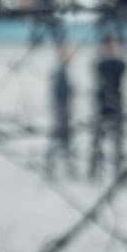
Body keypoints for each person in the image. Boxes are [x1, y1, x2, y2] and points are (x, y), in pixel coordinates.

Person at [89, 38, 127, 180]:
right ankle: (94, 171)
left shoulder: (118, 64)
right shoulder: (102, 64)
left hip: (116, 106)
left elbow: (120, 69)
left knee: (117, 143)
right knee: (98, 142)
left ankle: (117, 170)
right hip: (102, 106)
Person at [44, 44, 76, 179]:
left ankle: (58, 168)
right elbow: (59, 94)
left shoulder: (63, 72)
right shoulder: (60, 73)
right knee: (60, 141)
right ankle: (54, 168)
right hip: (61, 113)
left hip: (63, 112)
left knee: (62, 142)